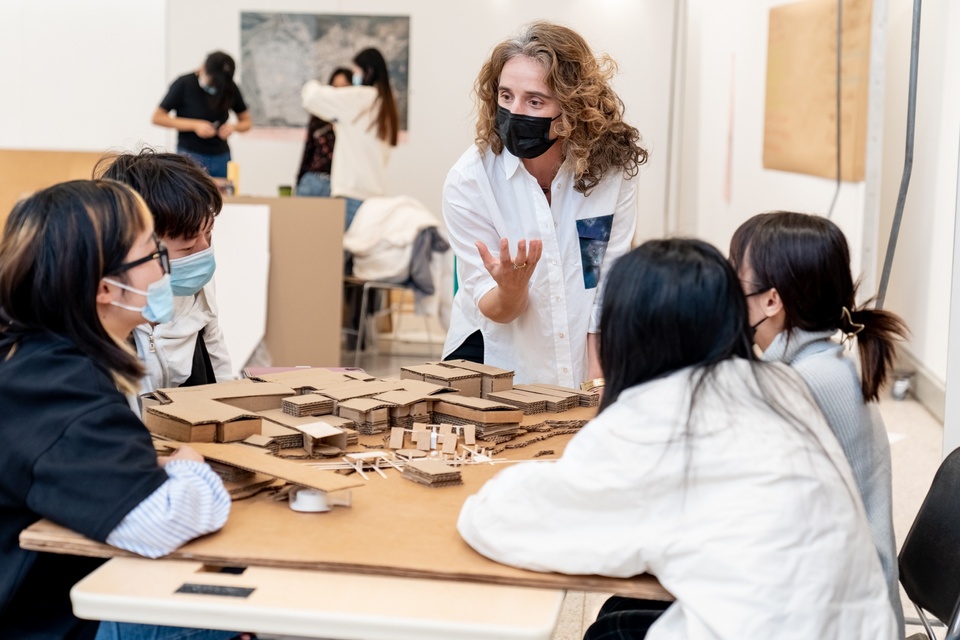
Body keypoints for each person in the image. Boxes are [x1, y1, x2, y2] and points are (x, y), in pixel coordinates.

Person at [458, 239, 898, 640]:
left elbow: (498, 521)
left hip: (769, 626)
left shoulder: (653, 420)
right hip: (853, 624)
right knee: (626, 605)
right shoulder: (779, 384)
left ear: (625, 333)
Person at [0, 180, 232, 639]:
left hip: (47, 594)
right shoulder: (58, 390)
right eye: (154, 257)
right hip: (42, 618)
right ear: (106, 288)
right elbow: (167, 521)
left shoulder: (41, 357)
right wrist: (191, 465)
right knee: (215, 609)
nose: (165, 271)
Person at [729, 211, 908, 637]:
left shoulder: (804, 383)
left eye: (736, 274)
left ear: (772, 300)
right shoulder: (821, 363)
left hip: (836, 617)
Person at [441, 21, 646, 389]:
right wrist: (512, 288)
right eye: (506, 96)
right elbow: (498, 310)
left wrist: (599, 383)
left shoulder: (612, 171)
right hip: (491, 355)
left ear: (572, 107)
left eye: (535, 101)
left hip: (580, 355)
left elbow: (604, 282)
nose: (515, 112)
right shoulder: (470, 180)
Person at [96, 150, 233, 397]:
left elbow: (218, 361)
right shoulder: (103, 318)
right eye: (188, 246)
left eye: (209, 234)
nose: (204, 252)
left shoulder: (195, 288)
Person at [301, 48, 399, 229]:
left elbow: (311, 97)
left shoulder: (362, 97)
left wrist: (312, 84)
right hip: (376, 198)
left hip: (352, 195)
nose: (354, 78)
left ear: (367, 72)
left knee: (335, 255)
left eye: (355, 72)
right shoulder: (386, 105)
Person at [153, 51, 252, 177]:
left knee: (223, 194)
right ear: (203, 68)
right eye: (213, 82)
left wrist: (233, 127)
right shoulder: (184, 83)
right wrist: (195, 125)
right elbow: (158, 117)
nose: (215, 87)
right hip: (190, 154)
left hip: (221, 156)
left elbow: (247, 122)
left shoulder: (229, 87)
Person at [296, 67, 353, 197]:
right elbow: (308, 149)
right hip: (312, 180)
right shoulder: (319, 115)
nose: (339, 93)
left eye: (344, 87)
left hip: (339, 185)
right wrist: (299, 180)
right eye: (335, 87)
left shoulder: (353, 119)